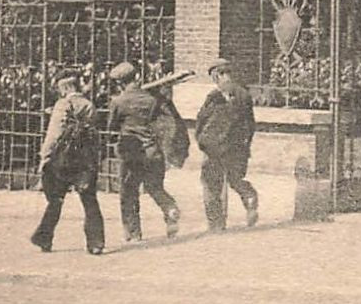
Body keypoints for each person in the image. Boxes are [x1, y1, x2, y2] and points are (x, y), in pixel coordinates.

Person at [30, 69, 105, 255]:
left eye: (60, 88)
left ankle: (44, 238)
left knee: (55, 200)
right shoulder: (89, 105)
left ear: (66, 87)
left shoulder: (63, 104)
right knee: (89, 200)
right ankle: (96, 243)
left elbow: (54, 134)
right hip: (85, 159)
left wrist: (44, 157)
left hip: (63, 160)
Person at [105, 61, 181, 241]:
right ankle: (169, 208)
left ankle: (134, 232)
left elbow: (111, 126)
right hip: (153, 151)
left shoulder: (118, 101)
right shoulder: (151, 100)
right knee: (155, 187)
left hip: (131, 153)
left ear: (120, 83)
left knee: (128, 191)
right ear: (136, 77)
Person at [195, 58, 259, 231]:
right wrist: (245, 145)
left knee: (210, 185)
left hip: (214, 149)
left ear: (217, 75)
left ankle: (216, 224)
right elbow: (250, 124)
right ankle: (249, 196)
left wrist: (201, 140)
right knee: (236, 180)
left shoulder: (214, 97)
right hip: (237, 148)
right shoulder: (243, 95)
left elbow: (201, 120)